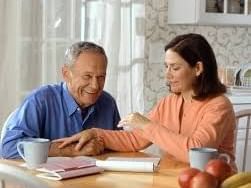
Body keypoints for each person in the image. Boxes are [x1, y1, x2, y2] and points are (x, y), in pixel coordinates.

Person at [55, 33, 236, 165]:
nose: (167, 75)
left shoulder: (219, 106)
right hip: (172, 180)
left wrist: (146, 124)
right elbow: (135, 139)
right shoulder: (169, 102)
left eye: (175, 68)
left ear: (197, 68)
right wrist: (95, 132)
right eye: (166, 67)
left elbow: (196, 153)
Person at [0, 41, 121, 159]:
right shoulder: (41, 100)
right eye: (87, 76)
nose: (95, 85)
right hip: (46, 179)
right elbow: (8, 147)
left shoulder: (108, 103)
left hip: (96, 178)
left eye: (101, 77)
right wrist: (68, 149)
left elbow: (121, 145)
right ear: (66, 74)